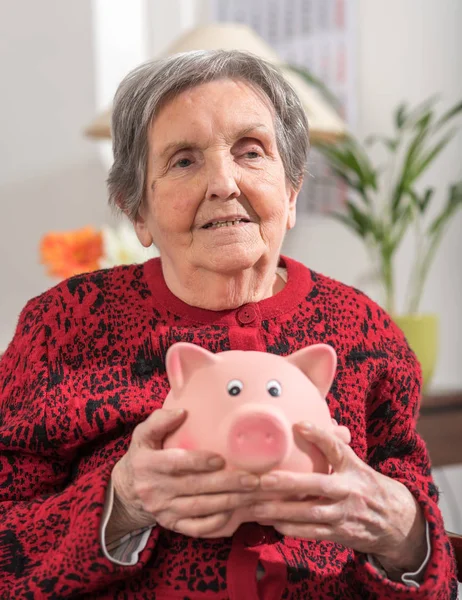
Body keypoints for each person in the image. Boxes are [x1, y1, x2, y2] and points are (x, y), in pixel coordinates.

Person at [0, 50, 457, 600]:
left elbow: (426, 555)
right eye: (185, 160)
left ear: (291, 193)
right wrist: (119, 504)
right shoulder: (66, 325)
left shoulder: (364, 329)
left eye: (251, 151)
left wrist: (398, 530)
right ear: (136, 210)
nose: (223, 183)